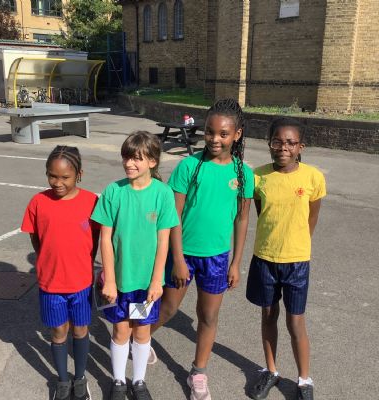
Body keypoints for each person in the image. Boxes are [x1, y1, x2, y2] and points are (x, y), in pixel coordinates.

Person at [151, 98, 254, 399]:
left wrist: (236, 262)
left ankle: (198, 372)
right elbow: (173, 217)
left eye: (223, 134)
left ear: (237, 135)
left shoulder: (244, 174)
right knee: (167, 308)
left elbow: (242, 220)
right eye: (210, 132)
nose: (214, 139)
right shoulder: (189, 166)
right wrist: (178, 259)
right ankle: (138, 339)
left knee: (208, 316)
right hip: (183, 254)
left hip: (217, 258)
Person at [91, 131, 179, 400]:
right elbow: (105, 239)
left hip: (145, 284)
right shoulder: (113, 192)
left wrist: (156, 281)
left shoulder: (163, 194)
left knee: (141, 331)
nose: (129, 163)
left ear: (152, 162)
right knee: (120, 330)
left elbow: (163, 242)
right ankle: (118, 381)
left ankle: (138, 381)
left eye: (136, 158)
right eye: (126, 157)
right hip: (120, 282)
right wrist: (109, 280)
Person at [246, 117, 326, 400]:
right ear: (269, 144)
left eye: (291, 143)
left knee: (295, 321)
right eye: (277, 142)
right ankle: (271, 370)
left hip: (297, 261)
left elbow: (311, 218)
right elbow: (262, 213)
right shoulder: (258, 177)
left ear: (301, 146)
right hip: (265, 258)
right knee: (269, 315)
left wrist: (298, 244)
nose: (284, 148)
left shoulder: (313, 177)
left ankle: (304, 379)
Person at [21, 145, 100, 400]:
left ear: (79, 174)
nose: (57, 182)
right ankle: (63, 381)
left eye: (65, 177)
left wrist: (86, 264)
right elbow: (36, 239)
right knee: (58, 332)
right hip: (51, 284)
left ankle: (80, 378)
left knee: (80, 330)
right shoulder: (38, 202)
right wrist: (47, 260)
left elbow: (96, 239)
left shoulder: (91, 201)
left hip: (81, 283)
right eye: (52, 176)